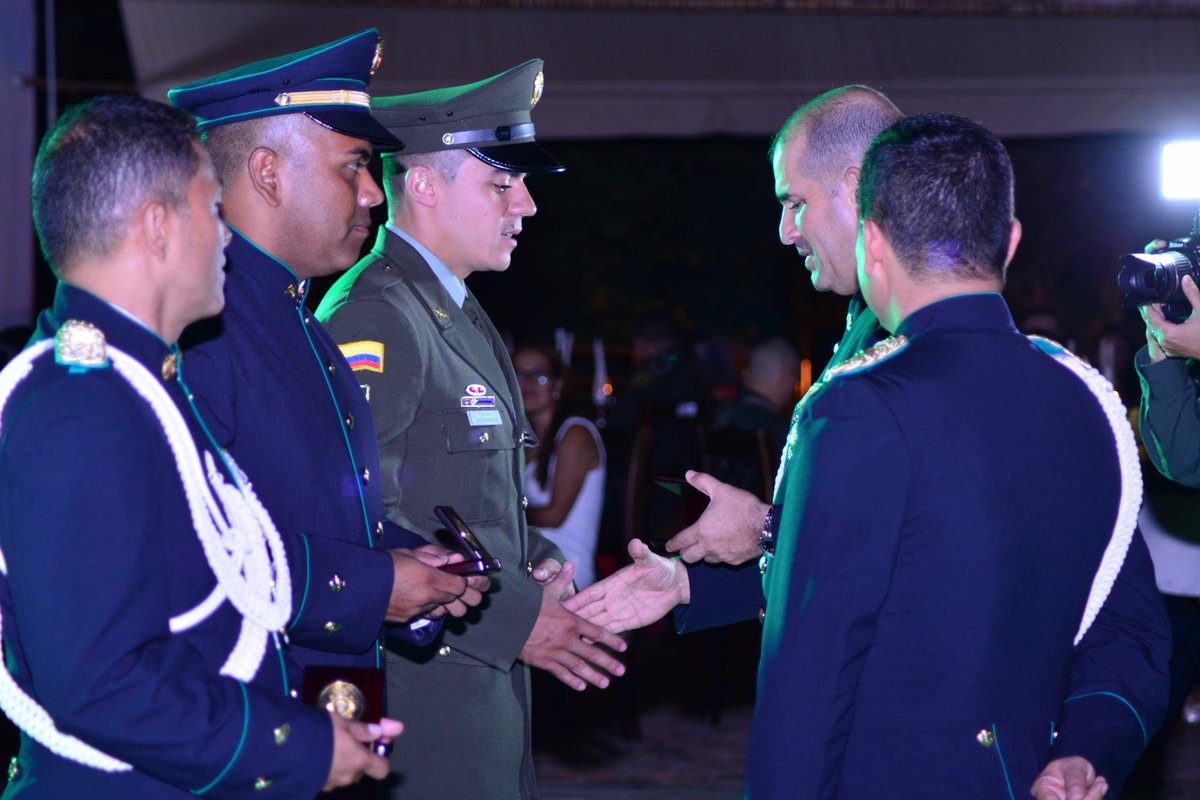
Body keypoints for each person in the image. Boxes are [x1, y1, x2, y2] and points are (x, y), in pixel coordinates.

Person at [567, 113, 1171, 799]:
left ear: (872, 240)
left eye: (794, 202)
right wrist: (1089, 749)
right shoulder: (1090, 400)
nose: (786, 230)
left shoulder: (862, 403)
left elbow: (810, 684)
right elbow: (1127, 628)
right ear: (1010, 240)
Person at [0, 94, 399, 797]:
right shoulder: (80, 408)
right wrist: (299, 746)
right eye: (213, 210)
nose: (227, 238)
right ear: (158, 227)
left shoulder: (142, 385)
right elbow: (104, 683)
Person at [315, 60, 626, 798]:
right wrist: (515, 618)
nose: (527, 204)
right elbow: (355, 514)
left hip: (473, 675)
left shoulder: (451, 306)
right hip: (423, 686)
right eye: (500, 182)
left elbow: (459, 496)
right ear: (424, 185)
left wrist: (536, 560)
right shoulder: (376, 314)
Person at [167, 29, 486, 713]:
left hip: (313, 711)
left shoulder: (297, 321)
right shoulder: (197, 329)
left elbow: (303, 514)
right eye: (352, 167)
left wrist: (407, 567)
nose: (373, 194)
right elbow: (178, 543)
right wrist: (371, 585)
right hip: (239, 722)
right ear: (268, 172)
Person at [664, 85, 900, 568]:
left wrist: (765, 528)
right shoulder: (869, 318)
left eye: (795, 202)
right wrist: (687, 586)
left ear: (857, 188)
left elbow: (894, 546)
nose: (785, 232)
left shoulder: (912, 334)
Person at [515, 342, 604, 589]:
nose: (528, 383)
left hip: (566, 570)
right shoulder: (522, 439)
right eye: (519, 375)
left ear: (557, 386)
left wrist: (502, 514)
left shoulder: (576, 433)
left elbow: (554, 516)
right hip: (530, 560)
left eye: (540, 375)